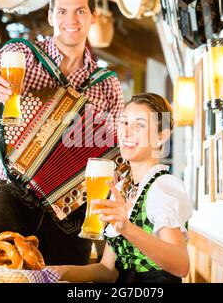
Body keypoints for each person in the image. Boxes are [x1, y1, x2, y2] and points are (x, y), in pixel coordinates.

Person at [0, 0, 124, 265]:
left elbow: (117, 152)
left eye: (79, 11)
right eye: (62, 11)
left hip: (72, 208)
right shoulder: (23, 54)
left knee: (64, 277)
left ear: (93, 17)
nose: (71, 20)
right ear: (51, 16)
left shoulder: (107, 84)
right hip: (12, 193)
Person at [50, 93, 192, 283]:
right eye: (124, 122)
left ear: (160, 136)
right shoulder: (123, 188)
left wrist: (127, 227)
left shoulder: (162, 187)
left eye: (139, 125)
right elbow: (107, 270)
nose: (127, 132)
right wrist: (52, 272)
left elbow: (181, 265)